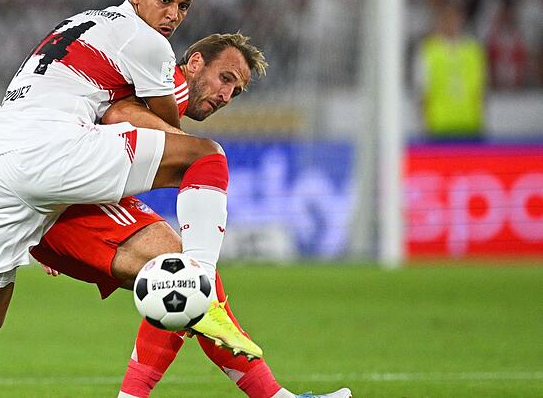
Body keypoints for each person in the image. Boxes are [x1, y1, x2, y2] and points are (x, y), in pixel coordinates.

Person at [0, 0, 263, 397]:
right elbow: (152, 125)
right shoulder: (148, 44)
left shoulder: (82, 23)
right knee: (205, 157)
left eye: (183, 7)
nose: (173, 15)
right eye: (165, 0)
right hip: (51, 148)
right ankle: (200, 284)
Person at [32, 33, 351, 398]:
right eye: (225, 79)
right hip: (67, 203)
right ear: (196, 63)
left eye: (237, 90)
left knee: (189, 283)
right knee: (187, 275)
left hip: (64, 196)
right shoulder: (173, 86)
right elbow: (116, 115)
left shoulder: (159, 91)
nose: (226, 96)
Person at [415, 0, 487, 140]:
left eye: (455, 18)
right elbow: (423, 91)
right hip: (440, 125)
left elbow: (480, 90)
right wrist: (425, 124)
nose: (451, 23)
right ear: (440, 21)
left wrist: (481, 120)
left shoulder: (473, 51)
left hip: (470, 124)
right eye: (447, 18)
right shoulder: (428, 51)